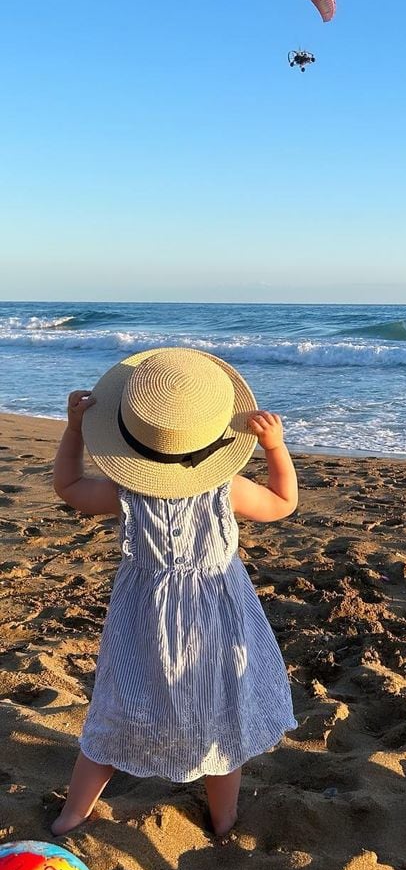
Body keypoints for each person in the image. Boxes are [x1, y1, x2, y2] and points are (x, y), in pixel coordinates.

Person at [50, 347, 299, 838]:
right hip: (217, 614)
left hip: (142, 616)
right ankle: (224, 821)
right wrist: (275, 447)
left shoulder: (126, 492)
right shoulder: (227, 489)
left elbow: (69, 486)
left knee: (119, 706)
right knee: (220, 714)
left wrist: (75, 429)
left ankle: (72, 815)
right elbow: (283, 502)